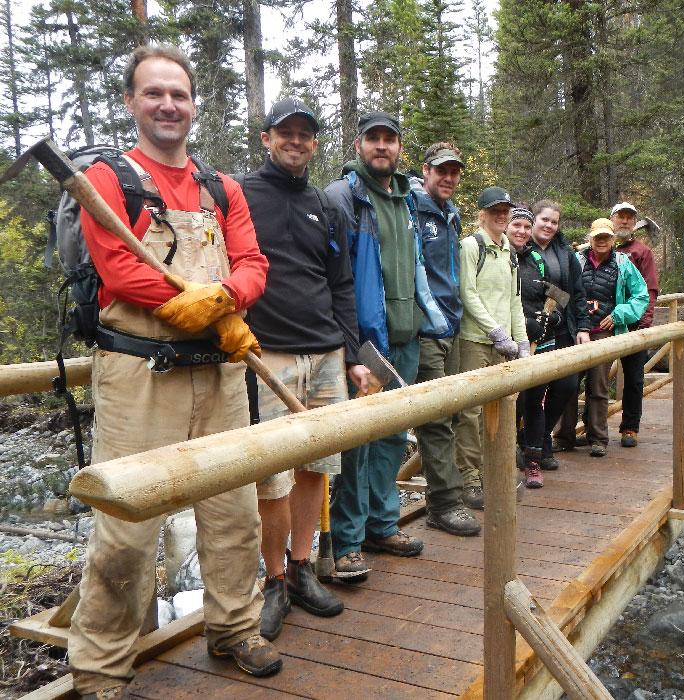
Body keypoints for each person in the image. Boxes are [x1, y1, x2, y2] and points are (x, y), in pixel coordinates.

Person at [69, 45, 280, 699]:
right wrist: (184, 301)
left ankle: (235, 626)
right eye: (153, 93)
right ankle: (101, 668)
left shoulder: (223, 188)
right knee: (127, 529)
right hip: (140, 376)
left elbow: (252, 261)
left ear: (194, 104)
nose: (168, 104)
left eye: (179, 94)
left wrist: (225, 298)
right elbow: (119, 269)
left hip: (219, 373)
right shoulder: (107, 180)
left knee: (234, 512)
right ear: (132, 103)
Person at [240, 97, 370, 639]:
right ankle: (272, 581)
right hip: (266, 354)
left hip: (325, 354)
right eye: (284, 132)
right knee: (271, 477)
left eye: (304, 134)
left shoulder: (327, 205)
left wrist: (354, 355)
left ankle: (300, 568)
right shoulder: (240, 195)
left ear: (316, 143)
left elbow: (341, 284)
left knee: (317, 467)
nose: (295, 140)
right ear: (267, 137)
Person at [324, 112, 450, 580]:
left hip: (406, 336)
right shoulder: (343, 198)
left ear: (400, 147)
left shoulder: (408, 199)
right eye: (373, 139)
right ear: (358, 145)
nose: (382, 146)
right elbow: (334, 279)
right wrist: (350, 345)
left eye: (390, 139)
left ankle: (382, 524)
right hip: (366, 344)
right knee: (357, 445)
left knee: (394, 437)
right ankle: (347, 541)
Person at [409, 142, 482, 536]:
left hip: (452, 328)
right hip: (427, 330)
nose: (449, 178)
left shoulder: (450, 214)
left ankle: (451, 492)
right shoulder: (414, 209)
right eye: (442, 171)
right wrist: (433, 319)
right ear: (426, 170)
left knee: (452, 414)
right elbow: (416, 273)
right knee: (436, 419)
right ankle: (444, 504)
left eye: (455, 172)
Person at [454, 187, 529, 507]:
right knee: (470, 414)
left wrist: (522, 340)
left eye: (505, 210)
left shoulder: (510, 251)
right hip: (474, 340)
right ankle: (469, 481)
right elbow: (467, 293)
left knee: (497, 412)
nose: (501, 215)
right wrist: (496, 331)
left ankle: (492, 475)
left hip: (504, 347)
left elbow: (514, 300)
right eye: (495, 210)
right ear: (482, 213)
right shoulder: (470, 246)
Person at [555, 219, 649, 457]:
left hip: (605, 333)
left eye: (606, 237)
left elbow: (641, 296)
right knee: (569, 385)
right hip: (577, 331)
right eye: (598, 237)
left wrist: (619, 315)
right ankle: (564, 436)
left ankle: (597, 437)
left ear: (613, 239)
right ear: (591, 239)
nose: (602, 241)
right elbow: (561, 290)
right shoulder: (577, 261)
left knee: (598, 385)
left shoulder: (623, 264)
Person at [519, 200, 591, 480]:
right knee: (531, 394)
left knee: (566, 385)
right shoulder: (522, 248)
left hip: (560, 328)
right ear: (534, 220)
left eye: (554, 222)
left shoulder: (564, 252)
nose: (548, 225)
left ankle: (537, 438)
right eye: (544, 220)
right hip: (530, 330)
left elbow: (575, 290)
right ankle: (535, 448)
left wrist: (582, 325)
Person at [611, 202, 660, 448]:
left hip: (633, 326)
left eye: (630, 218)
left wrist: (643, 323)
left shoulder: (642, 252)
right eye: (621, 217)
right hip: (604, 325)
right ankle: (591, 426)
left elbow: (650, 291)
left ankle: (630, 427)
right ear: (612, 219)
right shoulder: (600, 248)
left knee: (633, 379)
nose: (625, 222)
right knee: (594, 377)